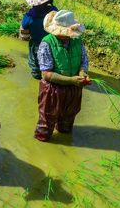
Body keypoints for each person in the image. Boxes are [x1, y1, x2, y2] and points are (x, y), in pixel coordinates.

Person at [35, 10, 91, 142]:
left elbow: (84, 61)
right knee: (46, 123)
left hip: (73, 88)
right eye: (63, 33)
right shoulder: (46, 44)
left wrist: (82, 73)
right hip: (52, 89)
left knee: (67, 121)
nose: (67, 36)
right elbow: (46, 74)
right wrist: (70, 80)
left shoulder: (77, 41)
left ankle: (63, 133)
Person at [19, 0, 58, 79]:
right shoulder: (54, 11)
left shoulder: (29, 17)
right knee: (52, 63)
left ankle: (38, 78)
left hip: (37, 46)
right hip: (54, 44)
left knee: (36, 65)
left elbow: (24, 35)